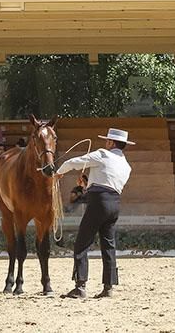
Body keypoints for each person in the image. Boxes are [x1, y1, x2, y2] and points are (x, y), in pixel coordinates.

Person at [56, 128, 134, 300]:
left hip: (98, 203)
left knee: (82, 243)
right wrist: (88, 184)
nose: (105, 143)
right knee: (108, 246)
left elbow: (74, 162)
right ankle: (108, 287)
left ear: (111, 143)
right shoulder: (126, 166)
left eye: (107, 140)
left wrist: (59, 173)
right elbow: (108, 183)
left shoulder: (103, 154)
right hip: (114, 204)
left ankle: (80, 286)